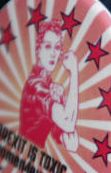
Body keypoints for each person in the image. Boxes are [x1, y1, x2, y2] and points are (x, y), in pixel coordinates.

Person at [19, 20, 79, 152]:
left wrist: (61, 100)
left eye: (57, 47)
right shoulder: (35, 86)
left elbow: (67, 140)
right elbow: (68, 123)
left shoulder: (50, 87)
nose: (53, 53)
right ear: (38, 50)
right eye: (47, 46)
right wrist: (74, 72)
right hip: (25, 160)